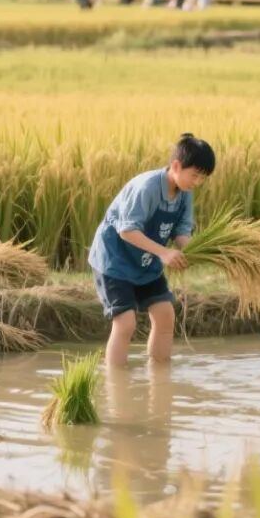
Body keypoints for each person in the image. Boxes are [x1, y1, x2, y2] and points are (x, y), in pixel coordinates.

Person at [88, 134, 216, 367]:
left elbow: (181, 231)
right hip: (114, 261)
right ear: (176, 166)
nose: (197, 182)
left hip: (146, 261)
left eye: (202, 178)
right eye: (194, 175)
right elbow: (126, 231)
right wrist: (164, 253)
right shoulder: (147, 187)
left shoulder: (185, 194)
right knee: (125, 323)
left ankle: (159, 377)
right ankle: (117, 386)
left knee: (165, 316)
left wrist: (195, 252)